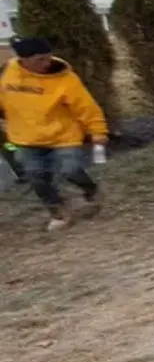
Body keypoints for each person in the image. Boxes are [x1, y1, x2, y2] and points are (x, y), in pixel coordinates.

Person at [0, 36, 109, 231]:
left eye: (48, 57)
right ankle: (58, 212)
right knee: (36, 176)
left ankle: (90, 189)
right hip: (26, 139)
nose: (46, 63)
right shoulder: (7, 72)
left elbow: (86, 107)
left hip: (63, 137)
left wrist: (98, 131)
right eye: (39, 59)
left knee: (71, 170)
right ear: (23, 60)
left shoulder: (64, 78)